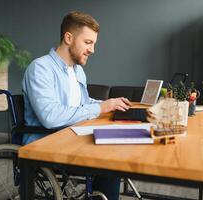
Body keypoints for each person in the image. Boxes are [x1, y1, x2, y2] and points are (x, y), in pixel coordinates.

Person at [22, 11, 131, 200]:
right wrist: (99, 108)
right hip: (47, 143)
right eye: (88, 42)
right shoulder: (40, 68)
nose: (92, 50)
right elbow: (51, 117)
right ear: (68, 37)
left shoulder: (78, 71)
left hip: (72, 136)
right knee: (110, 161)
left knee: (116, 149)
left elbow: (84, 103)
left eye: (93, 44)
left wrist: (111, 104)